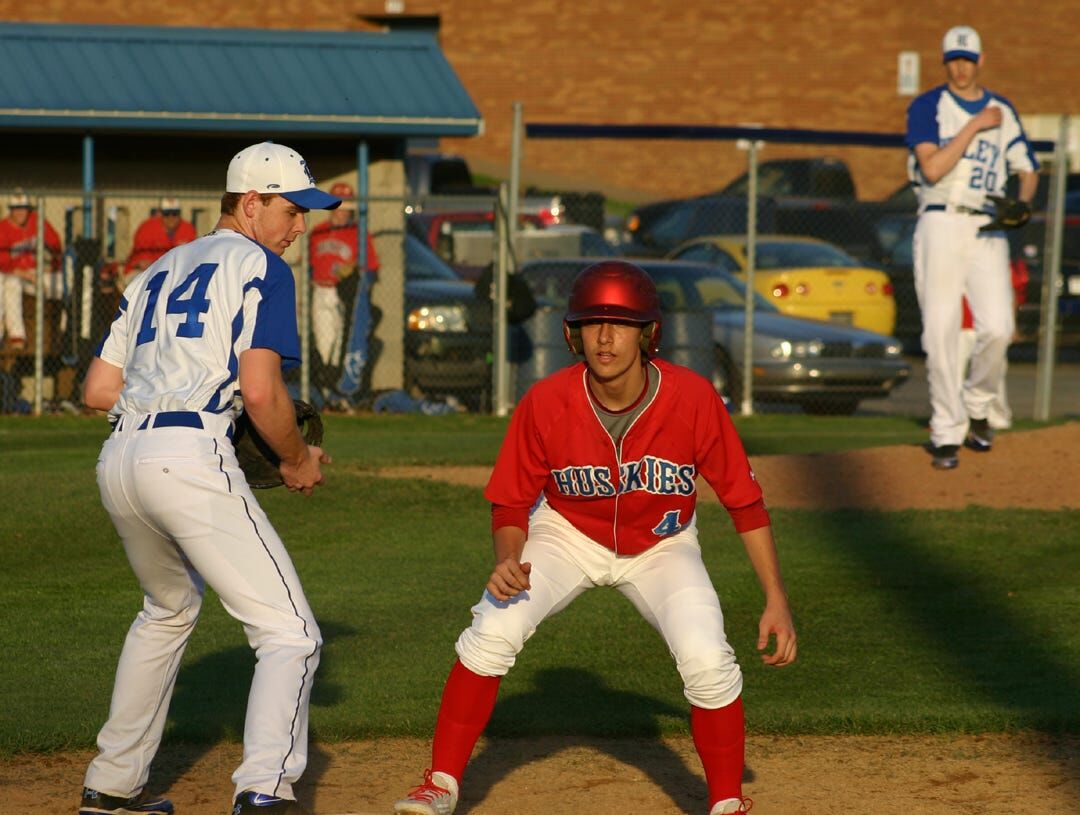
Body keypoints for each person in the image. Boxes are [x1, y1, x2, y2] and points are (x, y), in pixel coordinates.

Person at [393, 260, 797, 815]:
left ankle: (727, 801)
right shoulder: (546, 401)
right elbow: (511, 500)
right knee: (492, 629)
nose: (605, 336)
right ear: (572, 333)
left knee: (708, 659)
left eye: (622, 322)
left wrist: (776, 598)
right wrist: (509, 557)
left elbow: (745, 503)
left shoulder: (694, 398)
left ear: (648, 332)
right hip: (564, 534)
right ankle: (439, 783)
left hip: (663, 546)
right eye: (592, 322)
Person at [78, 141, 340, 815]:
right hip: (187, 457)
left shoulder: (154, 270)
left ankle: (109, 788)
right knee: (291, 632)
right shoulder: (262, 267)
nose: (299, 227)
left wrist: (169, 391)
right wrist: (294, 457)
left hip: (121, 459)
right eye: (290, 209)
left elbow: (98, 389)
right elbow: (260, 392)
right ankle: (264, 790)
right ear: (249, 203)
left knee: (166, 611)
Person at [905, 25, 1038, 470]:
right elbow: (933, 167)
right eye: (953, 60)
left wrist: (1023, 201)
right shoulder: (928, 106)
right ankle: (946, 431)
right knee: (940, 332)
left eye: (967, 59)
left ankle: (978, 405)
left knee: (999, 326)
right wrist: (975, 126)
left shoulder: (1004, 108)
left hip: (987, 227)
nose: (960, 67)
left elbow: (1028, 167)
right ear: (945, 63)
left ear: (980, 61)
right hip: (941, 220)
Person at [308, 181, 379, 406]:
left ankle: (338, 392)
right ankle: (327, 391)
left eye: (345, 208)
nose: (341, 212)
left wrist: (354, 272)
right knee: (323, 342)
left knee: (341, 344)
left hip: (344, 295)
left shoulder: (359, 233)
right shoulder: (318, 232)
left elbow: (371, 269)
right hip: (321, 290)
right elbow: (310, 266)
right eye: (337, 207)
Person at [0, 189, 62, 348]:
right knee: (11, 284)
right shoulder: (3, 229)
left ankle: (65, 328)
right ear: (11, 211)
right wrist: (23, 273)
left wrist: (52, 266)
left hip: (36, 272)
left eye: (24, 208)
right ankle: (17, 336)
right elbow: (3, 262)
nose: (21, 212)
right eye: (17, 208)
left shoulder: (36, 221)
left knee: (64, 283)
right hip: (14, 274)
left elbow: (55, 244)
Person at [121, 197, 198, 289]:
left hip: (176, 272)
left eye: (175, 213)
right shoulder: (147, 227)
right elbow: (140, 260)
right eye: (167, 213)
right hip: (143, 272)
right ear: (160, 214)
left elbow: (193, 257)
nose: (171, 217)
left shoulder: (187, 229)